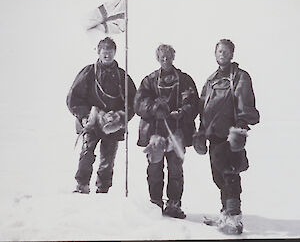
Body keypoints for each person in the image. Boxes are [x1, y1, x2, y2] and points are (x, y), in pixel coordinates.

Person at [193, 39, 260, 234]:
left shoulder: (240, 77)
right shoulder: (212, 79)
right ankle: (225, 212)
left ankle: (234, 218)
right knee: (218, 175)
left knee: (230, 174)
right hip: (214, 134)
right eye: (219, 51)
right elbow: (203, 106)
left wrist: (240, 127)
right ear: (215, 54)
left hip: (230, 135)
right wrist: (201, 130)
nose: (222, 54)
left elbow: (244, 101)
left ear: (232, 54)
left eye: (226, 51)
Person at [134, 44, 199, 219]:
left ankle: (174, 204)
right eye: (162, 56)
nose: (165, 59)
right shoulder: (149, 80)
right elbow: (138, 103)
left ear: (173, 57)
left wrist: (183, 111)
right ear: (157, 58)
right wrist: (154, 108)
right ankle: (155, 203)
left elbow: (194, 103)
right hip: (155, 133)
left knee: (175, 169)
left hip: (177, 132)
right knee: (154, 169)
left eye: (168, 56)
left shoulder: (185, 79)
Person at [66, 37, 136, 194]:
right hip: (91, 122)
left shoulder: (122, 76)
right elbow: (73, 98)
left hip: (112, 124)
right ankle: (82, 184)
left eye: (110, 52)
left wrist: (121, 116)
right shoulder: (89, 73)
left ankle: (103, 189)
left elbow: (133, 101)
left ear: (115, 53)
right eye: (104, 52)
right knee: (86, 152)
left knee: (108, 159)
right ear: (98, 52)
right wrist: (85, 114)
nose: (107, 55)